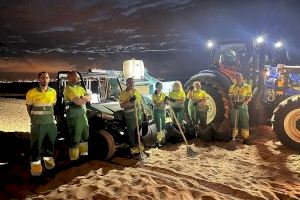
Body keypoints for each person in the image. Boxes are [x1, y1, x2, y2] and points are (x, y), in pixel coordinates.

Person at [26, 72, 57, 176]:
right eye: (42, 78)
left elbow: (52, 106)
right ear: (39, 79)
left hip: (50, 123)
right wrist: (34, 119)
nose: (44, 79)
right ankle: (36, 168)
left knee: (50, 144)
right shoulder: (32, 92)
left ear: (49, 79)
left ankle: (49, 164)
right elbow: (28, 107)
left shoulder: (53, 92)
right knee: (36, 146)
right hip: (37, 124)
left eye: (46, 77)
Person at [64, 71, 91, 161]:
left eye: (79, 77)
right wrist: (83, 99)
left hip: (83, 116)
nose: (79, 79)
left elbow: (89, 98)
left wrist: (82, 98)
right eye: (77, 77)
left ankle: (83, 156)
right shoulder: (68, 89)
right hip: (74, 117)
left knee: (85, 136)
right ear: (71, 78)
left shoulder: (80, 88)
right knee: (75, 138)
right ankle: (74, 159)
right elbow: (78, 102)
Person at [119, 78, 145, 155]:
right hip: (130, 117)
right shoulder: (123, 93)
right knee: (132, 134)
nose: (131, 84)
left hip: (139, 116)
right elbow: (122, 105)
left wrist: (144, 112)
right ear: (126, 84)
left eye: (132, 82)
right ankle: (134, 149)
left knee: (138, 133)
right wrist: (130, 101)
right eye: (129, 82)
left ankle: (139, 147)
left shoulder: (137, 92)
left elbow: (141, 102)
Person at [229, 73, 252, 144]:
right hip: (235, 107)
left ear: (243, 78)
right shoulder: (232, 87)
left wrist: (243, 103)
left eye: (239, 78)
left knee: (245, 121)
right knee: (234, 122)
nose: (238, 79)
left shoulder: (247, 87)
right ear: (235, 79)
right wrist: (233, 104)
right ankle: (234, 137)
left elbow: (249, 98)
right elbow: (230, 98)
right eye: (237, 78)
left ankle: (245, 138)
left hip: (243, 107)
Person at [152, 82, 168, 146]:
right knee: (158, 125)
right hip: (156, 111)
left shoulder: (163, 94)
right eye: (159, 86)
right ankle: (158, 140)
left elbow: (166, 103)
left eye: (161, 86)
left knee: (163, 124)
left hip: (163, 111)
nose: (160, 88)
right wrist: (163, 101)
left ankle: (163, 139)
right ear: (156, 87)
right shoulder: (154, 95)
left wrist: (166, 101)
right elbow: (157, 104)